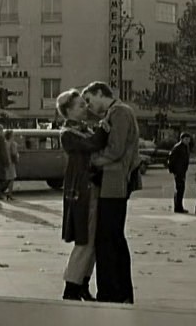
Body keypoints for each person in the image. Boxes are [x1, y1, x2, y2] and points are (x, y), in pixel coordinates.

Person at [82, 81, 138, 304]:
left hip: (114, 182)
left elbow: (116, 149)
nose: (88, 106)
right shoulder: (116, 113)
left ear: (99, 93)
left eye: (89, 100)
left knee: (108, 239)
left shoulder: (119, 112)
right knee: (112, 239)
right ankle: (119, 292)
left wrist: (93, 161)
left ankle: (113, 293)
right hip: (112, 181)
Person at [57, 89, 108, 301]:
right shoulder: (68, 134)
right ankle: (71, 288)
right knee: (84, 240)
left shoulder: (84, 130)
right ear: (68, 110)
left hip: (90, 188)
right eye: (80, 105)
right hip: (81, 191)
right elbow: (94, 145)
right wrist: (104, 130)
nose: (85, 108)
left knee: (93, 241)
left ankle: (82, 284)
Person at [167, 133, 192, 214]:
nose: (188, 141)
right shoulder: (178, 147)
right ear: (182, 139)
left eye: (188, 139)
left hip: (182, 171)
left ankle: (179, 206)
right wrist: (174, 171)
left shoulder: (185, 147)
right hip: (179, 171)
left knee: (181, 190)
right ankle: (178, 208)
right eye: (186, 139)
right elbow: (171, 159)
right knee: (179, 189)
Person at [3, 130, 19, 201]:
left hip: (4, 162)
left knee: (7, 178)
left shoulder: (4, 143)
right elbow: (14, 153)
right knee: (11, 179)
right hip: (10, 163)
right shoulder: (13, 144)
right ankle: (9, 194)